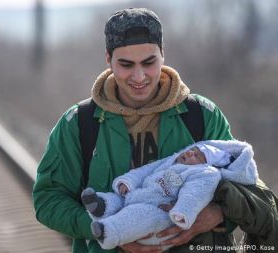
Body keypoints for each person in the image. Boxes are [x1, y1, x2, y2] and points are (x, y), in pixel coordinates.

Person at [32, 7, 278, 253]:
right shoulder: (79, 124)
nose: (138, 76)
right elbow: (48, 200)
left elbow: (247, 185)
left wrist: (216, 215)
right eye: (126, 65)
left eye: (149, 63)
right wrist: (109, 229)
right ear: (108, 59)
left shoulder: (201, 116)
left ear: (162, 55)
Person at [81, 140, 257, 250]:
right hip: (140, 194)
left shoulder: (205, 174)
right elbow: (145, 171)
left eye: (198, 155)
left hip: (162, 211)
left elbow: (194, 195)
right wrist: (127, 182)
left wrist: (182, 212)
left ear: (207, 165)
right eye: (193, 149)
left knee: (139, 216)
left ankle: (109, 231)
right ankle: (100, 205)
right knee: (118, 199)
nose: (190, 152)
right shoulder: (172, 160)